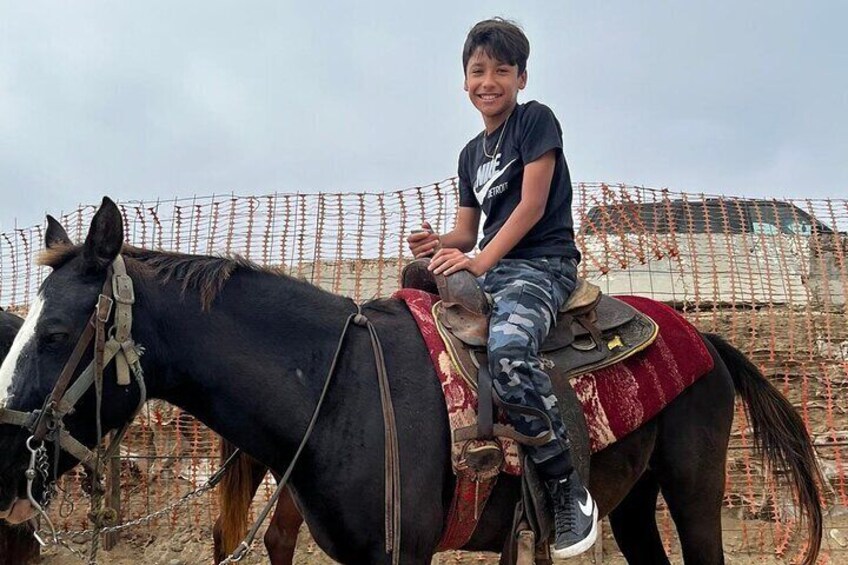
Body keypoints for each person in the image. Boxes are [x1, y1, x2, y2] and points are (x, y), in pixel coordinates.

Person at [406, 17, 597, 559]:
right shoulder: (471, 154)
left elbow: (532, 207)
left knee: (511, 353)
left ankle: (567, 487)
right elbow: (468, 229)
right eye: (477, 71)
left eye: (501, 71)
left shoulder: (535, 122)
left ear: (521, 78)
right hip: (494, 265)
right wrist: (437, 243)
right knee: (413, 294)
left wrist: (480, 259)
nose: (488, 81)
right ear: (464, 80)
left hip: (542, 265)